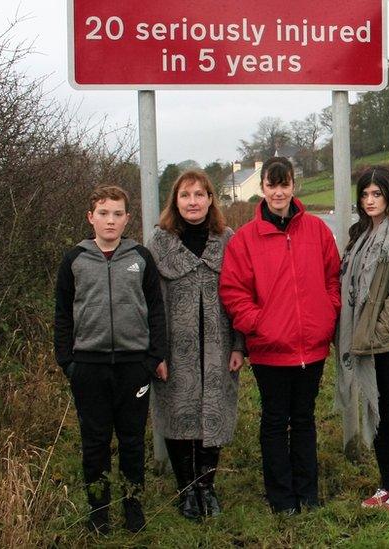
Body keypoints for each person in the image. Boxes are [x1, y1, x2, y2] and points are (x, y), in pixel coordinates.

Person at [219, 157, 341, 514]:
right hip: (270, 350)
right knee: (274, 422)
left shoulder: (317, 230)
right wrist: (259, 324)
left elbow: (333, 277)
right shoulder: (245, 239)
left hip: (311, 349)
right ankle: (282, 498)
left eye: (284, 184)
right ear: (263, 188)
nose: (278, 192)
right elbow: (233, 291)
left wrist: (326, 314)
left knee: (304, 419)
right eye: (272, 185)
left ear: (293, 185)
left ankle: (308, 493)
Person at [53, 185, 167, 534]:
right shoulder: (74, 259)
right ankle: (98, 512)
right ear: (91, 217)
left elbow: (156, 312)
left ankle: (133, 507)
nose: (110, 220)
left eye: (118, 214)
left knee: (132, 440)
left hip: (134, 367)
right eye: (103, 213)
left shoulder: (140, 258)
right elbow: (62, 315)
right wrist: (67, 362)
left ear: (127, 218)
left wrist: (152, 358)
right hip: (89, 366)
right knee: (95, 441)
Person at [147, 171, 244, 521]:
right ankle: (186, 490)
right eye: (186, 195)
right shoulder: (159, 244)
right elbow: (151, 302)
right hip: (175, 348)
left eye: (200, 194)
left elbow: (239, 296)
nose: (193, 201)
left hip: (218, 346)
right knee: (178, 413)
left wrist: (238, 345)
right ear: (175, 200)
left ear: (210, 199)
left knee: (212, 413)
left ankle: (207, 486)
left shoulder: (228, 240)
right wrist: (155, 352)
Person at [335, 167, 389, 514]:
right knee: (377, 412)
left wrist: (378, 333)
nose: (370, 201)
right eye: (365, 195)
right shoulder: (360, 235)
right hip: (364, 340)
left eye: (376, 194)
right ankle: (387, 485)